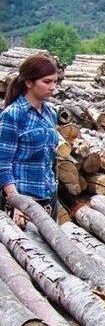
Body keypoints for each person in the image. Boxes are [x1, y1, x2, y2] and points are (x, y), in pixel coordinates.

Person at [0, 54, 59, 229]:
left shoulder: (50, 113)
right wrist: (18, 203)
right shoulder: (13, 115)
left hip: (49, 200)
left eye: (55, 82)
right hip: (23, 206)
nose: (53, 87)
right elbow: (3, 165)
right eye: (47, 82)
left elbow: (50, 160)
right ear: (28, 82)